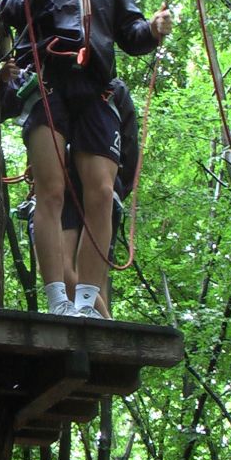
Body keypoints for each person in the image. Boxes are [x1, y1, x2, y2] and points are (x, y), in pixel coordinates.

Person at [0, 0, 171, 317]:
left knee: (100, 193)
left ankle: (86, 302)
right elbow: (9, 9)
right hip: (47, 81)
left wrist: (152, 30)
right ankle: (58, 299)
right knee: (51, 192)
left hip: (95, 86)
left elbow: (127, 31)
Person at [61, 78, 139, 317]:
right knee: (68, 268)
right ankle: (103, 326)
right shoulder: (57, 78)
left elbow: (129, 141)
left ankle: (102, 331)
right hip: (67, 189)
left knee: (96, 272)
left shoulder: (115, 89)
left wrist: (118, 187)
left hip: (103, 189)